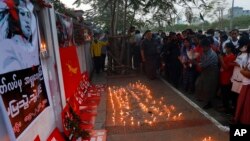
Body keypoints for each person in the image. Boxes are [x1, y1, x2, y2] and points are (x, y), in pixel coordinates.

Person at [0, 0, 39, 74]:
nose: (27, 20)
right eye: (23, 14)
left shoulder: (30, 44)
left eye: (29, 15)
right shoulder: (9, 46)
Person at [195, 37, 219, 109]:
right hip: (205, 71)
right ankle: (203, 99)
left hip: (212, 72)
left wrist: (195, 62)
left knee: (209, 88)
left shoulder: (212, 54)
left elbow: (203, 64)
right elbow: (202, 61)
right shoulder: (205, 52)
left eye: (203, 47)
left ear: (208, 46)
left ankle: (209, 103)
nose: (202, 48)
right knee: (199, 84)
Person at [234, 39, 250, 125]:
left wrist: (243, 71)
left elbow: (247, 72)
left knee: (246, 108)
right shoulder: (247, 56)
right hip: (246, 83)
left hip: (248, 85)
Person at [218, 42, 236, 113]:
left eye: (226, 47)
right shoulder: (226, 55)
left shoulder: (232, 57)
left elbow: (226, 67)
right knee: (223, 92)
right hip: (223, 76)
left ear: (229, 48)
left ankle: (226, 107)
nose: (224, 49)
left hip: (227, 77)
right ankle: (224, 104)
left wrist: (221, 59)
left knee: (226, 93)